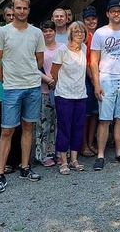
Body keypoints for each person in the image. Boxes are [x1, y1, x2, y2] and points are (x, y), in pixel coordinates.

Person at [0, 0, 45, 193]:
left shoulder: (36, 33)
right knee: (7, 130)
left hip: (32, 86)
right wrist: (6, 79)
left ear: (29, 10)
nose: (21, 11)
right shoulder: (3, 33)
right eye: (18, 8)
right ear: (13, 10)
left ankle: (25, 167)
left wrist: (28, 73)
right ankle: (0, 174)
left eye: (25, 8)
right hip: (12, 88)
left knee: (28, 127)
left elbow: (39, 59)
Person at [90, 0, 120, 170]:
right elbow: (94, 61)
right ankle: (101, 155)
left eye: (119, 11)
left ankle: (119, 153)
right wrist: (96, 84)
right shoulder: (100, 33)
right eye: (113, 11)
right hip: (106, 79)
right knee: (104, 119)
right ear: (107, 14)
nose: (116, 14)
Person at [51, 21, 88, 175]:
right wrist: (61, 86)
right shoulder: (62, 50)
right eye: (76, 32)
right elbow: (54, 72)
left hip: (80, 94)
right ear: (71, 33)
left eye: (81, 32)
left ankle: (74, 158)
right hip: (64, 94)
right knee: (64, 127)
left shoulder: (84, 48)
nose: (79, 35)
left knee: (78, 126)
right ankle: (63, 160)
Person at [35, 20, 60, 167]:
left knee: (58, 122)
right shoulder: (38, 50)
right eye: (45, 31)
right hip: (43, 90)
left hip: (60, 89)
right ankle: (42, 154)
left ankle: (57, 151)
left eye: (50, 30)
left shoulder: (62, 48)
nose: (48, 33)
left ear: (55, 32)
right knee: (43, 123)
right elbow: (33, 68)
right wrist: (47, 79)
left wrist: (56, 80)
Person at [81, 6, 99, 157]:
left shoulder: (98, 35)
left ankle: (91, 142)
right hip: (87, 78)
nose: (91, 21)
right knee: (86, 114)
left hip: (98, 77)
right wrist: (93, 78)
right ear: (83, 21)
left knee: (94, 113)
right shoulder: (84, 37)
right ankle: (83, 144)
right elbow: (86, 61)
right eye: (88, 19)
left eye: (93, 19)